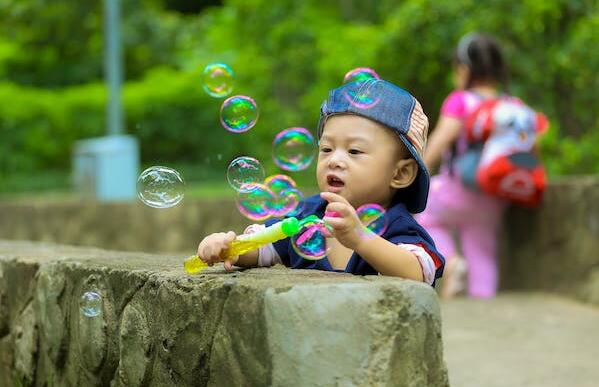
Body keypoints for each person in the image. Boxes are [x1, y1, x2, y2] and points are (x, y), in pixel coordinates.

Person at [197, 79, 445, 286]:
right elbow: (263, 250)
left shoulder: (397, 226)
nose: (334, 160)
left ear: (400, 174)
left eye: (355, 151)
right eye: (326, 148)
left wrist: (359, 237)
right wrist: (228, 247)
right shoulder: (306, 215)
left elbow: (417, 274)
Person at [417, 33, 509, 298]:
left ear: (464, 69)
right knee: (482, 252)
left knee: (423, 215)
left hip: (457, 191)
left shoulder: (461, 100)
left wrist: (416, 169)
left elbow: (439, 142)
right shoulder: (510, 104)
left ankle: (450, 261)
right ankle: (484, 307)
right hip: (494, 197)